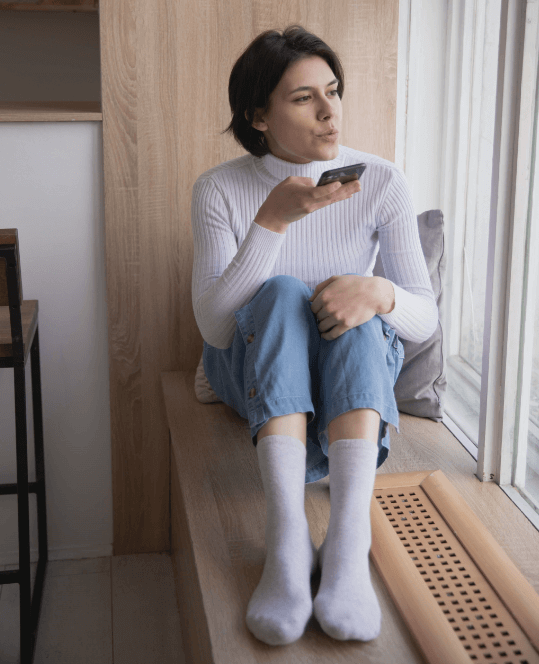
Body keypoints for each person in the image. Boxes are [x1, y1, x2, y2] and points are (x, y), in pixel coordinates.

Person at [191, 25, 438, 646]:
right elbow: (216, 327)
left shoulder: (381, 180)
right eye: (304, 98)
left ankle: (349, 542)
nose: (330, 112)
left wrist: (376, 292)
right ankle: (287, 538)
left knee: (357, 303)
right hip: (250, 377)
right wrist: (272, 221)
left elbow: (426, 318)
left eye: (333, 91)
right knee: (278, 293)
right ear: (258, 115)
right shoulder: (221, 188)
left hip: (346, 388)